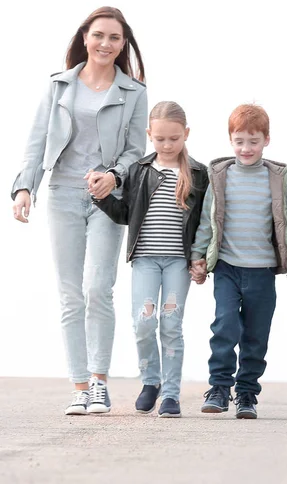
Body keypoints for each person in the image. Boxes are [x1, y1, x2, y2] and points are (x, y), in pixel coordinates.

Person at [11, 7, 148, 415]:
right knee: (70, 295)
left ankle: (100, 383)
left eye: (115, 38)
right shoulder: (58, 86)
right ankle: (79, 386)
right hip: (63, 195)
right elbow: (37, 141)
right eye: (99, 35)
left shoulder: (134, 92)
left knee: (97, 289)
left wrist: (114, 175)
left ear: (124, 45)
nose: (106, 44)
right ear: (85, 38)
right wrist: (23, 188)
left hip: (106, 201)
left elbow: (135, 152)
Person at [190, 104, 287, 419]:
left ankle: (246, 393)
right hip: (228, 269)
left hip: (262, 273)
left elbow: (286, 220)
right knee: (225, 326)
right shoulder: (221, 176)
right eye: (240, 141)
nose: (246, 148)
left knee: (256, 336)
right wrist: (198, 257)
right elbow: (207, 221)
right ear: (231, 140)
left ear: (267, 140)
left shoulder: (274, 178)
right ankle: (219, 387)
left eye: (254, 141)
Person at [92, 101, 208, 417]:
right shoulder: (138, 171)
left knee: (171, 324)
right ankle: (151, 381)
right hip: (144, 260)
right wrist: (100, 198)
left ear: (186, 134)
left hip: (177, 264)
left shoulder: (199, 174)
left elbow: (206, 221)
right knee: (144, 323)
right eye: (160, 139)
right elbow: (126, 214)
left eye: (174, 138)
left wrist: (201, 259)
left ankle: (171, 395)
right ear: (149, 135)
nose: (167, 145)